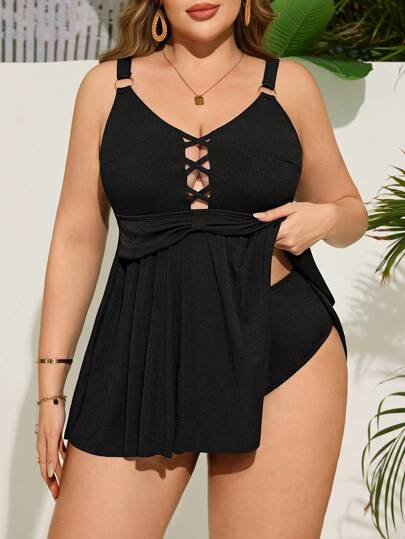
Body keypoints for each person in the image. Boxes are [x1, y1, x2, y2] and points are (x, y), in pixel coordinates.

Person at [36, 1, 368, 537]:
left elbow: (352, 213)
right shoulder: (107, 88)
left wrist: (326, 217)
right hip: (142, 348)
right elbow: (76, 238)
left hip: (281, 349)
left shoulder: (289, 85)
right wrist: (51, 392)